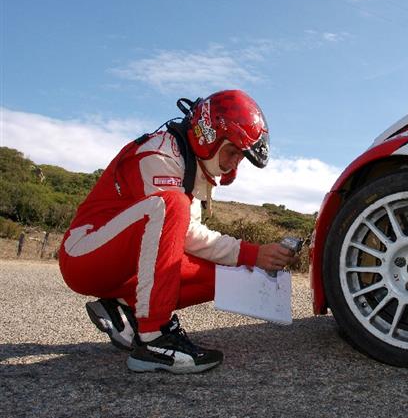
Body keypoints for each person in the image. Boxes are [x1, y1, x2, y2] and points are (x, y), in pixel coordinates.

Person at [58, 90, 297, 374]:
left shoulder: (191, 164)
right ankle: (154, 338)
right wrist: (251, 253)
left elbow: (178, 236)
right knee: (172, 205)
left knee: (223, 278)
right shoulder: (160, 153)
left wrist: (248, 258)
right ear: (209, 137)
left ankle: (126, 310)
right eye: (232, 152)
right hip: (83, 257)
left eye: (240, 157)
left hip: (123, 262)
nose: (235, 164)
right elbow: (184, 231)